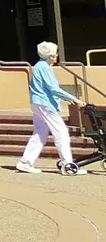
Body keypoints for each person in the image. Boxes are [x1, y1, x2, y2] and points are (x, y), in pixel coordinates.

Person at [17, 41, 78, 174]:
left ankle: (26, 162)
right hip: (46, 104)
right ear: (50, 56)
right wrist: (73, 98)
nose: (56, 57)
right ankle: (67, 165)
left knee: (40, 133)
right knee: (61, 133)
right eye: (55, 55)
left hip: (37, 102)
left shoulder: (39, 66)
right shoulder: (44, 68)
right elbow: (53, 89)